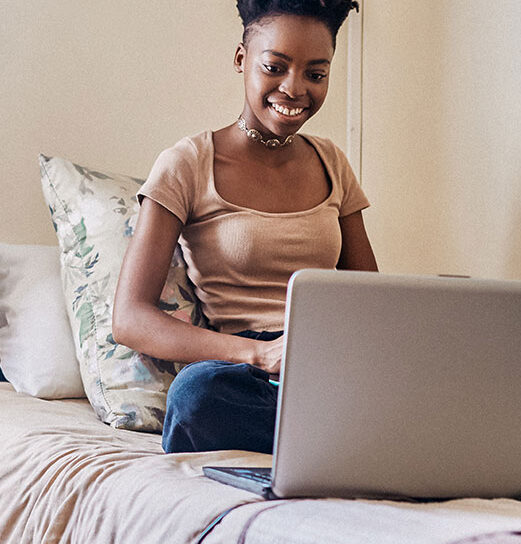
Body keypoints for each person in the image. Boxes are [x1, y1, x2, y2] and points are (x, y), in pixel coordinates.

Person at [111, 0, 370, 455]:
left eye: (316, 74)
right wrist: (259, 354)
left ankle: (342, 437)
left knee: (450, 378)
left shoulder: (333, 163)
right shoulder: (188, 163)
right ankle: (349, 443)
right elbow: (131, 319)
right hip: (239, 370)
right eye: (275, 67)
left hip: (326, 363)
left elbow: (371, 300)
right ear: (241, 60)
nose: (294, 89)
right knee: (195, 397)